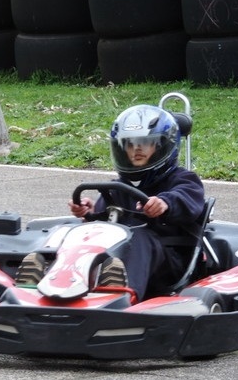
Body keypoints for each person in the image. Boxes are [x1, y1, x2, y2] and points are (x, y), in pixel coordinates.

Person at [67, 104, 205, 300]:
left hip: (168, 262)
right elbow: (102, 226)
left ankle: (119, 297)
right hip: (116, 259)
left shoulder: (184, 180)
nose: (136, 149)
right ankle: (50, 281)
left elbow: (187, 200)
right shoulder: (117, 188)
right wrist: (88, 213)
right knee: (70, 231)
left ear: (161, 146)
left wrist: (164, 203)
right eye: (130, 144)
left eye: (144, 143)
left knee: (137, 236)